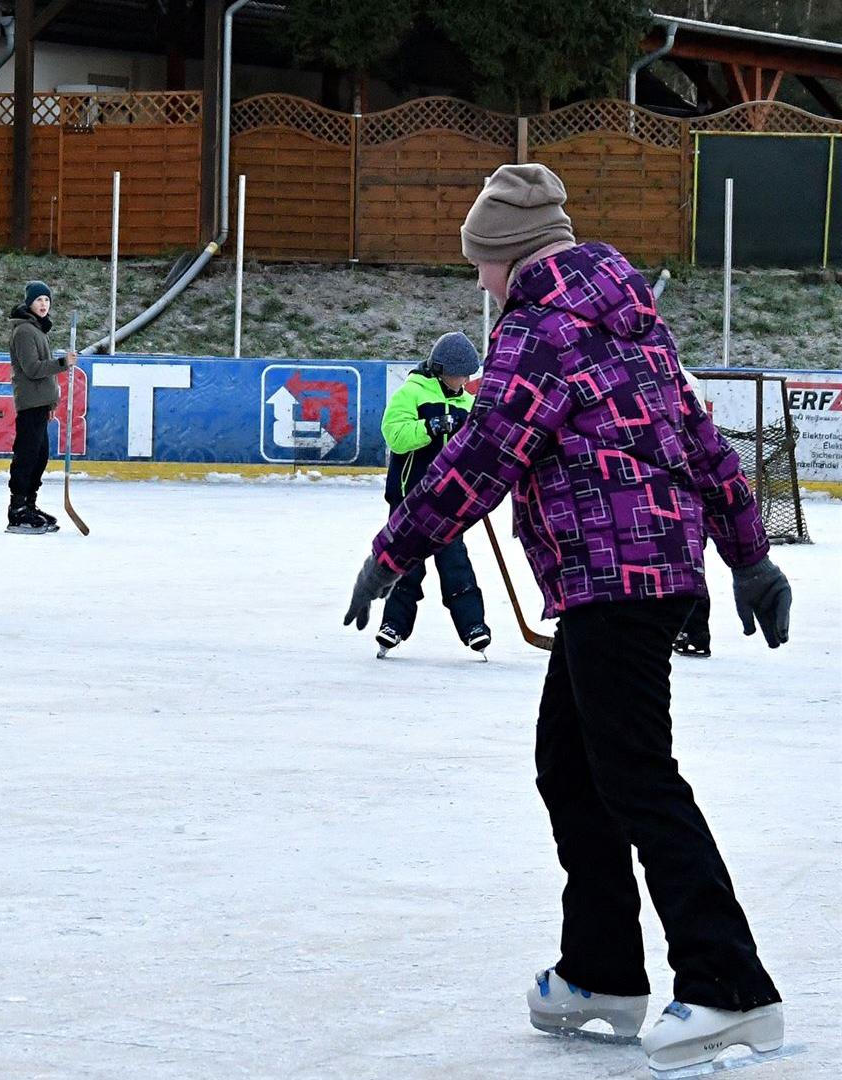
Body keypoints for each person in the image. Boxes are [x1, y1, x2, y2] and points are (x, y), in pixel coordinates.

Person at [340, 163, 793, 1075]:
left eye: (481, 263)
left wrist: (392, 552)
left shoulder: (538, 331)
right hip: (643, 571)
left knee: (636, 776)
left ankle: (729, 985)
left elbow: (481, 455)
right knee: (571, 765)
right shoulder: (631, 321)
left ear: (510, 257)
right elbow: (700, 437)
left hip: (611, 575)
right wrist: (746, 552)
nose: (477, 281)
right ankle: (601, 972)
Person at [374, 331, 491, 657]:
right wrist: (432, 426)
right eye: (459, 374)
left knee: (456, 564)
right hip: (409, 499)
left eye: (468, 374)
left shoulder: (468, 404)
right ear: (440, 369)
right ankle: (393, 625)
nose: (465, 380)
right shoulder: (410, 394)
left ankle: (473, 627)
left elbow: (476, 451)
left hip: (448, 503)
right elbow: (395, 436)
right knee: (406, 565)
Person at [6, 280, 73, 534]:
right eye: (38, 300)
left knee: (39, 455)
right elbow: (33, 369)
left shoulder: (37, 330)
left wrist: (51, 401)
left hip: (40, 402)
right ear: (29, 304)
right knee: (27, 455)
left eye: (46, 300)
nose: (43, 304)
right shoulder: (24, 331)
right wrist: (62, 362)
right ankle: (18, 508)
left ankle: (30, 504)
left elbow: (46, 374)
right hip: (29, 402)